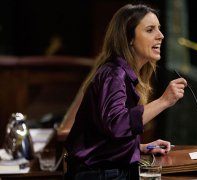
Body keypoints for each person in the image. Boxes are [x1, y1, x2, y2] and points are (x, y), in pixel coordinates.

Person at [65, 3, 187, 180]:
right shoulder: (114, 74)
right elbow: (117, 124)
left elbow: (104, 136)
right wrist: (164, 101)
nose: (160, 36)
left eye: (159, 29)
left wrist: (140, 147)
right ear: (129, 38)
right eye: (150, 30)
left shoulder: (120, 72)